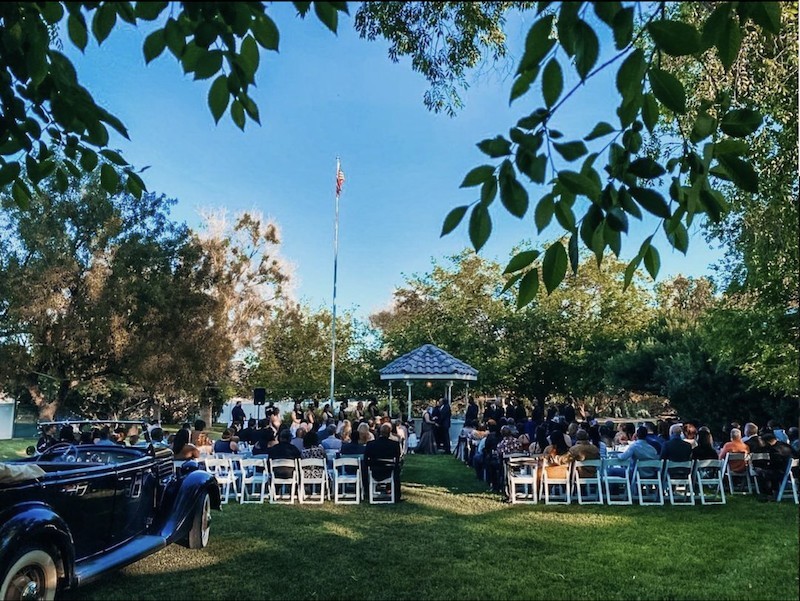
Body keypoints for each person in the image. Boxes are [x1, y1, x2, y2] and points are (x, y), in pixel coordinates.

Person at [365, 423, 402, 502]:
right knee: (397, 467)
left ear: (380, 432)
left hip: (374, 470)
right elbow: (397, 459)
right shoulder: (394, 445)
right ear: (389, 433)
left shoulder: (371, 444)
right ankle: (396, 495)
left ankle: (367, 492)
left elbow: (366, 459)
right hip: (389, 471)